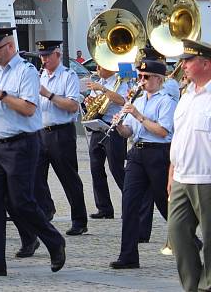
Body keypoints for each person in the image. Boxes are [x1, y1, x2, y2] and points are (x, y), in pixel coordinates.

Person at [0, 28, 65, 277]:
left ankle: (54, 240)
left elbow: (29, 109)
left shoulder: (26, 71)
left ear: (10, 46)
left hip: (20, 144)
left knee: (21, 203)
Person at [110, 58, 175, 269]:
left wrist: (138, 116)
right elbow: (129, 131)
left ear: (158, 78)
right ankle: (128, 255)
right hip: (137, 154)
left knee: (164, 203)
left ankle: (188, 240)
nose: (141, 80)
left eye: (146, 77)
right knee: (129, 204)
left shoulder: (166, 101)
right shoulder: (137, 100)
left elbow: (163, 131)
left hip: (158, 154)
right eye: (140, 76)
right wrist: (119, 126)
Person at [31, 41, 88, 236]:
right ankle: (46, 210)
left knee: (68, 177)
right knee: (36, 176)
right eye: (42, 56)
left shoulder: (68, 76)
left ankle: (79, 220)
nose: (44, 60)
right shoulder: (40, 76)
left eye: (47, 55)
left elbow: (72, 106)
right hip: (40, 132)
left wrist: (48, 94)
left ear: (57, 54)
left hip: (61, 132)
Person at [168, 39, 211, 290]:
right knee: (178, 234)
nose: (182, 65)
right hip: (182, 177)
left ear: (205, 63)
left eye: (188, 60)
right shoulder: (186, 95)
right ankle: (192, 285)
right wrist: (172, 173)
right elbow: (179, 137)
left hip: (207, 179)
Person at [85, 64, 129, 219]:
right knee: (95, 169)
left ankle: (130, 204)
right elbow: (93, 104)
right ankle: (104, 208)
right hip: (98, 126)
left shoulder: (120, 81)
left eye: (100, 66)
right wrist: (89, 102)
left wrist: (102, 90)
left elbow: (122, 101)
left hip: (114, 128)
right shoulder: (99, 83)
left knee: (116, 168)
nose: (97, 69)